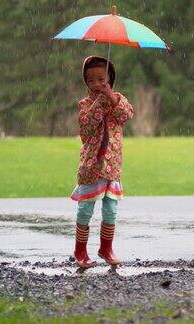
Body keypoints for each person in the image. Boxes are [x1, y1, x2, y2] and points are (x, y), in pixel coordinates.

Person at [70, 55, 134, 268]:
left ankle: (106, 248)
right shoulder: (85, 104)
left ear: (110, 79)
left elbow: (126, 115)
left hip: (112, 167)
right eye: (91, 80)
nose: (96, 84)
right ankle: (80, 250)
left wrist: (112, 99)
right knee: (85, 209)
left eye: (101, 79)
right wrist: (99, 102)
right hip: (92, 167)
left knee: (110, 210)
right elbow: (86, 128)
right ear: (86, 82)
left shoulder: (118, 99)